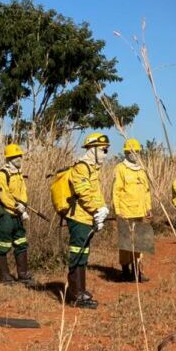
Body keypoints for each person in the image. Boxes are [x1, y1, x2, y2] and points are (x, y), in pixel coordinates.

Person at [65, 132, 111, 309]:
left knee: (83, 255)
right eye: (103, 150)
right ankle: (75, 296)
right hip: (79, 218)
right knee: (77, 254)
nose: (105, 154)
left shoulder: (93, 169)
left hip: (87, 217)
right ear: (93, 149)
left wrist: (102, 210)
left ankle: (81, 290)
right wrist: (96, 210)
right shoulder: (81, 168)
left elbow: (94, 194)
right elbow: (83, 193)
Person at [0, 143, 34, 286]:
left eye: (20, 156)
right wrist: (16, 207)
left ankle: (23, 274)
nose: (19, 159)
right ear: (9, 158)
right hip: (6, 215)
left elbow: (23, 192)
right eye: (15, 156)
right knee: (3, 244)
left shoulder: (19, 174)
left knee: (21, 242)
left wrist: (23, 205)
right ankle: (3, 275)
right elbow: (4, 196)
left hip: (17, 214)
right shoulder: (2, 175)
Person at [112, 138, 152, 282]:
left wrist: (148, 208)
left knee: (140, 243)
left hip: (140, 212)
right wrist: (118, 211)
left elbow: (146, 191)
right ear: (126, 152)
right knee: (125, 243)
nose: (135, 154)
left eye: (137, 152)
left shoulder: (141, 169)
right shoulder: (120, 169)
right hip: (125, 212)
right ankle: (125, 272)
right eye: (132, 152)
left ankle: (137, 273)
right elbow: (116, 191)